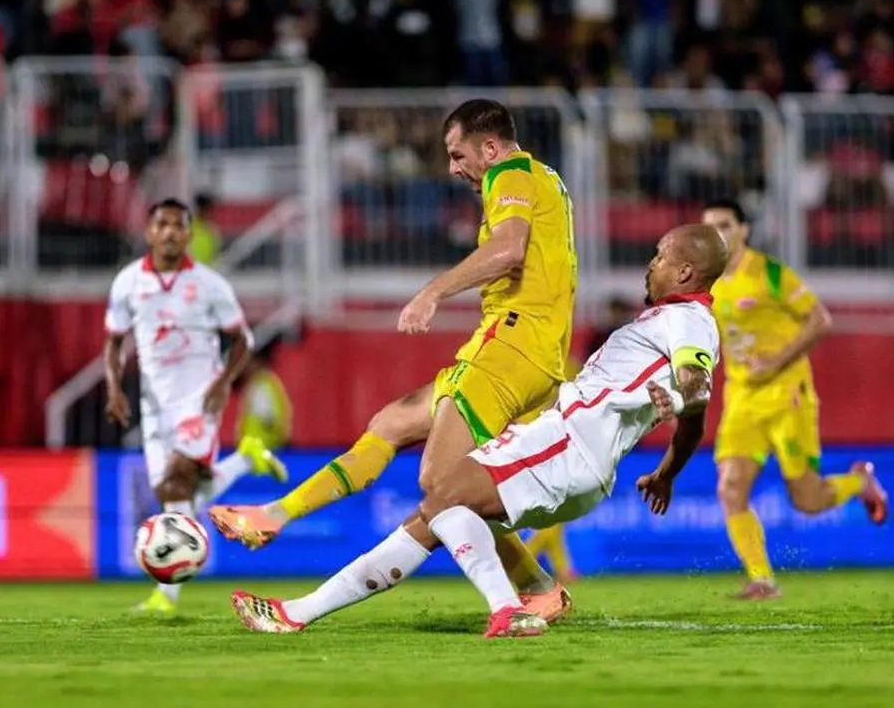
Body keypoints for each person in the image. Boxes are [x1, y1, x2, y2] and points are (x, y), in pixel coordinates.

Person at [228, 225, 727, 637]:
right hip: (579, 461)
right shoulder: (673, 321)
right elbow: (694, 420)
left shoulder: (688, 320)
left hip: (564, 445)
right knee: (437, 511)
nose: (650, 263)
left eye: (660, 256)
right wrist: (666, 472)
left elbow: (696, 386)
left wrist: (683, 395)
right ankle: (300, 613)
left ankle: (509, 609)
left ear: (685, 271)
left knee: (440, 498)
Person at [210, 99, 578, 622]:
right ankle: (273, 515)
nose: (452, 169)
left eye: (457, 155)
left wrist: (433, 291)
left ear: (490, 147)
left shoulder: (509, 173)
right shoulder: (543, 178)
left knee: (440, 487)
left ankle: (304, 612)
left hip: (513, 347)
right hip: (513, 346)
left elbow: (509, 249)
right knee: (391, 424)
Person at [104, 199, 288, 614]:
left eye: (178, 225)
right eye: (161, 224)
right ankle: (246, 460)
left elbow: (243, 341)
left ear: (189, 233)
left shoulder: (210, 285)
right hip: (154, 403)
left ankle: (166, 593)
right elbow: (114, 341)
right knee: (179, 494)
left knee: (175, 484)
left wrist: (223, 383)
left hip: (198, 397)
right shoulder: (128, 282)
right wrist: (115, 389)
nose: (170, 232)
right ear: (149, 231)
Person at [701, 199, 888, 600]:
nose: (718, 233)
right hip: (742, 400)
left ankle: (860, 482)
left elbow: (821, 320)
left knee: (806, 500)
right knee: (730, 488)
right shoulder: (708, 283)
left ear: (743, 230)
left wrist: (775, 360)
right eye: (709, 227)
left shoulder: (769, 273)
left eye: (725, 224)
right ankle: (762, 579)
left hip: (789, 395)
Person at [523, 295, 635, 582]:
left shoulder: (563, 371)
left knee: (555, 506)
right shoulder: (579, 372)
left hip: (548, 436)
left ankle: (562, 569)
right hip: (557, 440)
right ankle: (523, 561)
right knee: (557, 505)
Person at [234, 337, 293, 453]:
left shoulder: (262, 386)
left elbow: (268, 421)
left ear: (258, 362)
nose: (246, 366)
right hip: (259, 449)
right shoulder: (265, 383)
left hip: (259, 450)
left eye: (249, 361)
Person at [188, 192, 220, 265]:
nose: (208, 213)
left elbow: (214, 256)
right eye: (205, 209)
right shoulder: (186, 227)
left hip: (206, 272)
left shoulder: (212, 231)